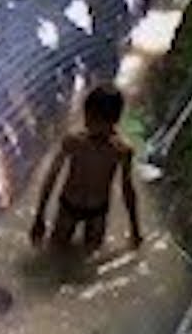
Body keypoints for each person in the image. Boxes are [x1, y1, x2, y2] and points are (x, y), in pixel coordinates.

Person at [30, 85, 143, 254]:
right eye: (87, 118)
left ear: (113, 121)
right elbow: (52, 176)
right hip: (68, 206)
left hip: (98, 211)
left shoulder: (121, 150)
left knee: (90, 256)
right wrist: (40, 215)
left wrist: (135, 228)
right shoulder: (74, 141)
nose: (88, 123)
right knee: (54, 253)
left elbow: (128, 189)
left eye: (93, 120)